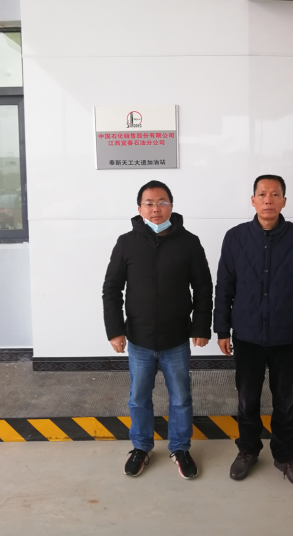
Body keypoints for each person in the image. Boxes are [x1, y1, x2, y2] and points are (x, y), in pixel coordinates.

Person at [214, 175, 293, 488]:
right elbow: (225, 287)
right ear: (253, 200)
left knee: (284, 401)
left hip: (287, 336)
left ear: (284, 201)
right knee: (247, 399)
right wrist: (221, 329)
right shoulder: (235, 238)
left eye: (275, 194)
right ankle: (248, 450)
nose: (268, 200)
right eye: (262, 194)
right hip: (247, 336)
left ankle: (285, 456)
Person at [103, 180, 213, 479]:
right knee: (139, 398)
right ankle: (141, 447)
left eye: (162, 202)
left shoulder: (189, 242)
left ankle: (180, 448)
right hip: (139, 339)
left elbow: (203, 287)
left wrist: (201, 327)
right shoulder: (126, 242)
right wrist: (115, 330)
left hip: (176, 339)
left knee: (181, 398)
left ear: (171, 206)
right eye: (149, 203)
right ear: (139, 209)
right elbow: (111, 289)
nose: (155, 208)